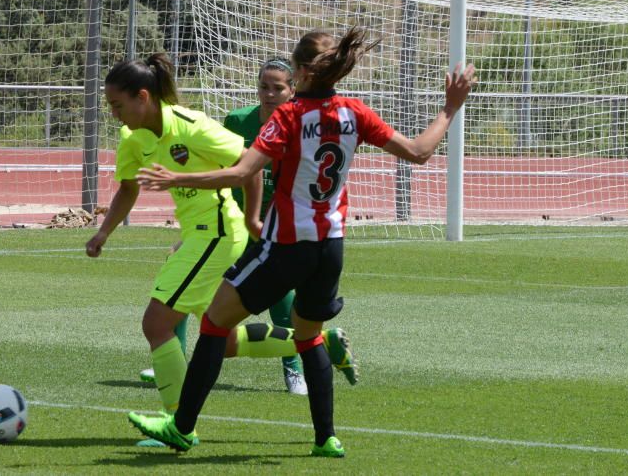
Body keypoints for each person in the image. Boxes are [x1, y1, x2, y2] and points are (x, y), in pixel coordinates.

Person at [128, 28, 476, 458]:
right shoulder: (354, 112)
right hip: (331, 247)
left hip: (287, 245)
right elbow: (420, 151)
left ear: (300, 72)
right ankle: (326, 438)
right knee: (309, 334)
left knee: (215, 321)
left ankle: (181, 428)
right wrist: (450, 107)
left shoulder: (289, 117)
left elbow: (241, 172)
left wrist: (177, 178)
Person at [85, 53, 352, 447]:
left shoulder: (192, 128)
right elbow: (128, 188)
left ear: (143, 97)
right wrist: (104, 232)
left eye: (117, 105)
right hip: (199, 234)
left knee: (156, 324)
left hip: (218, 234)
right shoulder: (132, 137)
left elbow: (248, 165)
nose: (113, 114)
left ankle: (177, 424)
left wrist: (251, 219)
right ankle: (314, 341)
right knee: (222, 340)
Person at [137, 58, 359, 396]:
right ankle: (173, 358)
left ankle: (294, 369)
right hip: (233, 228)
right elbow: (225, 170)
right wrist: (202, 231)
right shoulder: (239, 121)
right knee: (181, 288)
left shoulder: (304, 123)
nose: (269, 94)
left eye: (278, 88)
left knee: (281, 303)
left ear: (292, 89)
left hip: (279, 231)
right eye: (264, 87)